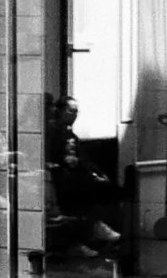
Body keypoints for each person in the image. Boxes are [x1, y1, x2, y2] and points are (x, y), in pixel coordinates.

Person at [47, 95, 122, 256]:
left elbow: (84, 159)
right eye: (70, 110)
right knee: (86, 189)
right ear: (59, 111)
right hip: (59, 176)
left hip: (75, 174)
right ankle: (87, 232)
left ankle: (96, 227)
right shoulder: (50, 133)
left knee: (106, 186)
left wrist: (98, 173)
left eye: (76, 111)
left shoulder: (71, 136)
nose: (74, 114)